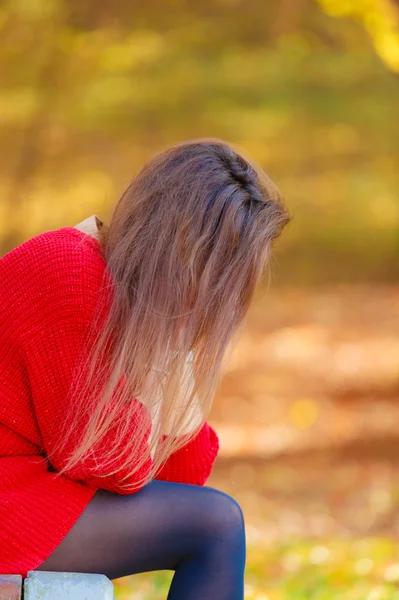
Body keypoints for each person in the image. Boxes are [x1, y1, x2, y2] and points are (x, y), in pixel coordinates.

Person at [0, 138, 289, 599]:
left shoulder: (123, 301)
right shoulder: (67, 271)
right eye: (222, 277)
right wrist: (171, 353)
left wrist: (177, 346)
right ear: (184, 247)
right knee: (215, 525)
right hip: (10, 491)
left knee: (212, 521)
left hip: (24, 494)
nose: (221, 303)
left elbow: (179, 479)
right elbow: (112, 463)